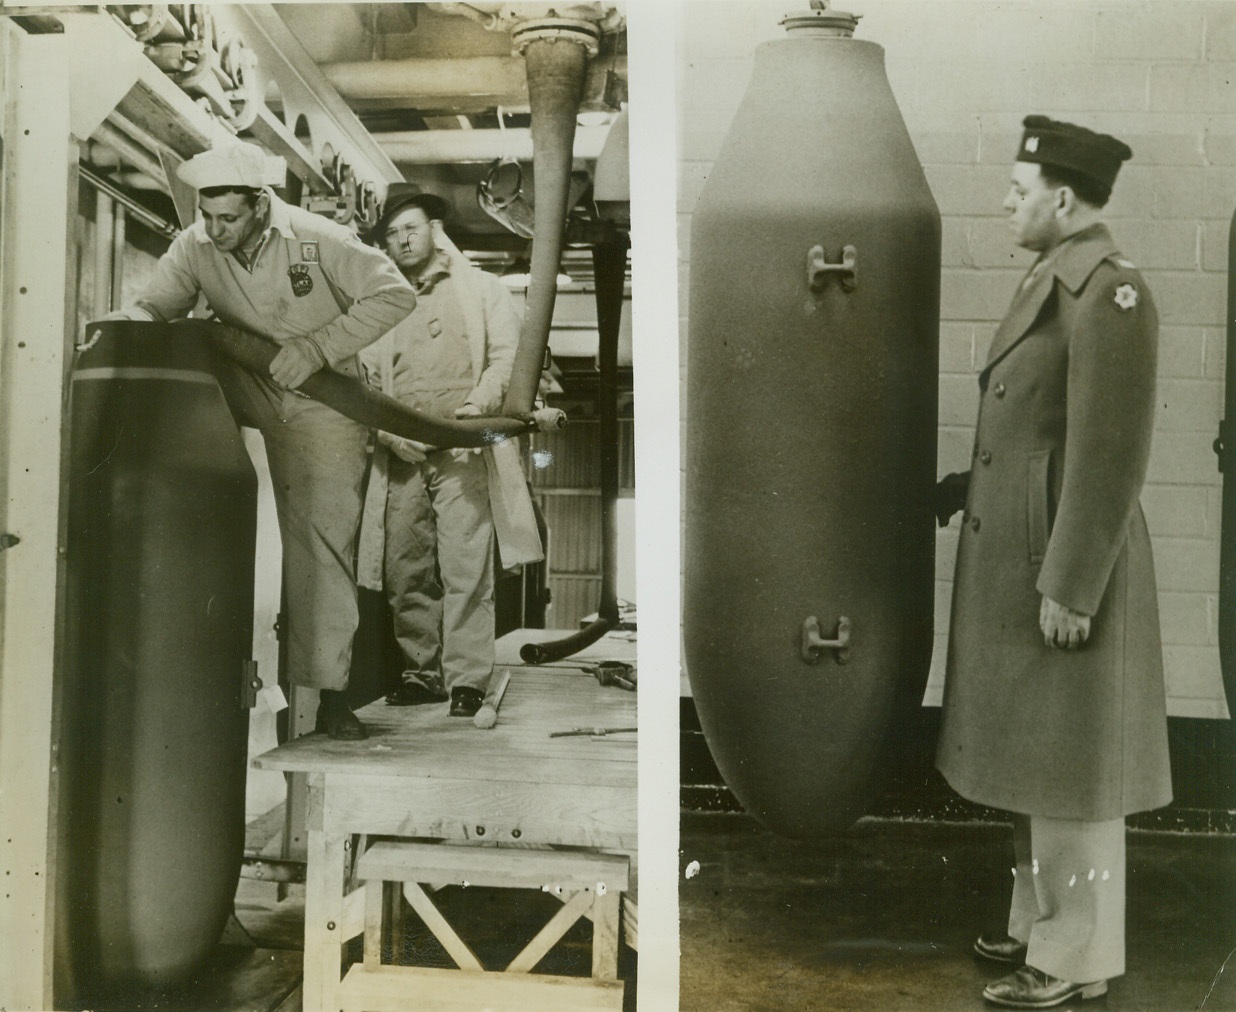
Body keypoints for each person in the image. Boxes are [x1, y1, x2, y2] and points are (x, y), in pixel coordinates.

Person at [934, 116, 1171, 1009]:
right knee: (1039, 759)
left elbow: (1110, 457)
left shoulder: (1111, 294)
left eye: (1018, 188)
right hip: (1027, 557)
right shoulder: (1051, 282)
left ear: (1061, 198)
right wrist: (962, 486)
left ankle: (1076, 960)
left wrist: (1072, 586)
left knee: (1074, 772)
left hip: (1068, 567)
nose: (1005, 200)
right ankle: (1039, 925)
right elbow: (1032, 435)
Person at [105, 141, 418, 740]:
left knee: (320, 543)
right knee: (184, 358)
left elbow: (395, 294)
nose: (215, 231)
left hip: (324, 399)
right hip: (248, 381)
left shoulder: (316, 236)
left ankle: (330, 695)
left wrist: (318, 349)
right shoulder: (195, 245)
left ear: (259, 207)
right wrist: (130, 323)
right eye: (207, 216)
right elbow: (156, 308)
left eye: (229, 219)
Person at [356, 185, 528, 718]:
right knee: (406, 569)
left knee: (464, 568)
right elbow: (359, 380)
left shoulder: (483, 290)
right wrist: (388, 435)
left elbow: (505, 359)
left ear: (433, 228)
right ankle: (420, 673)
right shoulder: (377, 303)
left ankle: (467, 682)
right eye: (391, 234)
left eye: (410, 227)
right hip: (403, 454)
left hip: (461, 452)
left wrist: (475, 411)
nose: (402, 239)